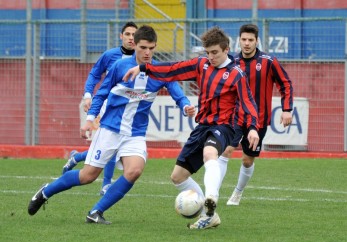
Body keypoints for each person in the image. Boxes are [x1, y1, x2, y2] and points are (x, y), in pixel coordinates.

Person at [27, 25, 196, 224]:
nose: (147, 52)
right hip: (109, 130)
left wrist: (185, 106)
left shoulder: (159, 71)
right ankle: (46, 191)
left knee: (134, 171)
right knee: (87, 176)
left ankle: (96, 212)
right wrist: (90, 119)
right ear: (135, 46)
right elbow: (102, 93)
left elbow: (177, 92)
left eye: (151, 48)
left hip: (135, 134)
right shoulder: (119, 67)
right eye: (143, 47)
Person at [123, 26, 260, 229]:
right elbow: (173, 69)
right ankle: (209, 214)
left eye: (215, 52)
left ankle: (212, 196)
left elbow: (249, 103)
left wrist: (253, 127)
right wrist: (144, 68)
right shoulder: (201, 65)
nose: (210, 57)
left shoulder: (237, 74)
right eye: (207, 52)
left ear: (226, 49)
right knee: (177, 177)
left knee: (210, 153)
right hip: (202, 126)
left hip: (223, 126)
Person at [221, 24, 293, 206]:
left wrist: (287, 109)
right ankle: (212, 194)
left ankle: (237, 193)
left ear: (257, 41)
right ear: (239, 40)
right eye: (243, 39)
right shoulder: (231, 61)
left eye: (250, 40)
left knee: (247, 160)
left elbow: (285, 84)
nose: (246, 43)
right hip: (235, 116)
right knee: (226, 150)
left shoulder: (269, 61)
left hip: (258, 120)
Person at [62, 21, 138, 196]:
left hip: (126, 108)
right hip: (106, 105)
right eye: (127, 34)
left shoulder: (141, 59)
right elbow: (94, 74)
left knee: (109, 146)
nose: (131, 38)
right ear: (121, 36)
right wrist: (88, 95)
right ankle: (105, 184)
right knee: (110, 145)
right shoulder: (110, 55)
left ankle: (78, 157)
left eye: (134, 34)